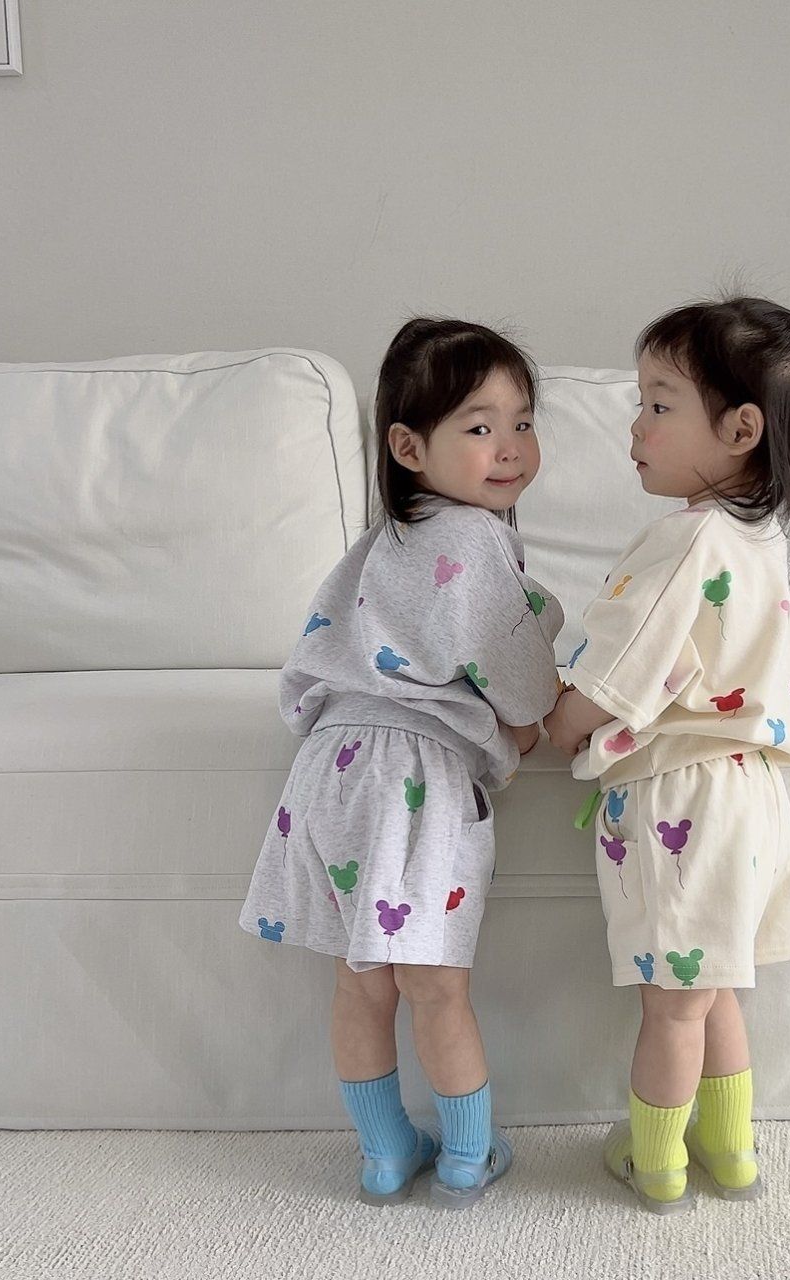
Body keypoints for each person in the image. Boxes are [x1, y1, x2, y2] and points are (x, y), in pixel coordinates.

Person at [544, 296, 790, 1214]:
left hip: (682, 801)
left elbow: (619, 669)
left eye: (657, 404)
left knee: (673, 1003)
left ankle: (656, 1162)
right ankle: (730, 1149)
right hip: (751, 796)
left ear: (740, 430)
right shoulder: (759, 538)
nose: (634, 426)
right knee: (716, 987)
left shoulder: (686, 540)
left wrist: (558, 720)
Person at [240, 318, 564, 1209]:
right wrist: (524, 727)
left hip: (331, 768)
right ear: (408, 446)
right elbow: (521, 678)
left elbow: (317, 653)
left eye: (523, 422)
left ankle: (384, 1153)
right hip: (412, 780)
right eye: (480, 426)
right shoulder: (475, 540)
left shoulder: (378, 546)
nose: (511, 446)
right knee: (434, 982)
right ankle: (467, 1154)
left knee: (361, 981)